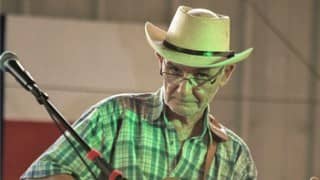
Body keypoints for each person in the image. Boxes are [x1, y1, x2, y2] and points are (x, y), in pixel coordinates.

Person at [21, 5, 257, 180]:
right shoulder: (114, 118)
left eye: (201, 76)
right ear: (160, 62)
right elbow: (41, 176)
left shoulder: (233, 156)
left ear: (225, 74)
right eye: (175, 70)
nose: (183, 88)